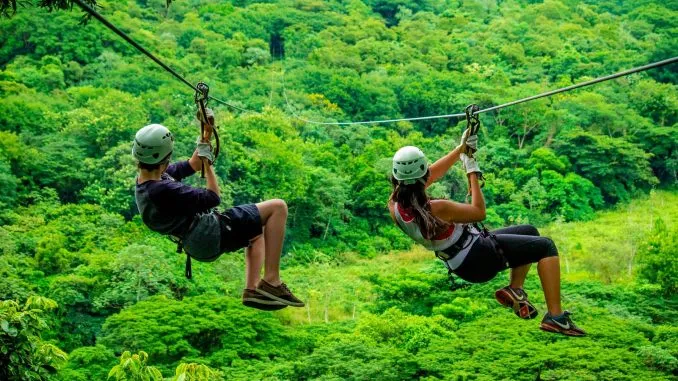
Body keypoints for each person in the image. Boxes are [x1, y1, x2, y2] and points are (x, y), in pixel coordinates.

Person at [387, 131, 585, 336]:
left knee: (530, 232)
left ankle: (515, 289)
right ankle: (556, 317)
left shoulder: (394, 206)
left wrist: (460, 150)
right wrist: (472, 171)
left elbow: (427, 176)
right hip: (478, 255)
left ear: (396, 177)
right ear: (423, 175)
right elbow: (479, 212)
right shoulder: (438, 208)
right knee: (546, 246)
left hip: (462, 261)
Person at [132, 109, 304, 311]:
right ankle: (272, 281)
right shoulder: (163, 189)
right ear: (166, 157)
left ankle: (252, 290)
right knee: (278, 207)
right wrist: (209, 164)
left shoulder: (149, 180)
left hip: (197, 242)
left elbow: (193, 164)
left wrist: (206, 132)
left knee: (257, 233)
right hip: (209, 233)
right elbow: (213, 197)